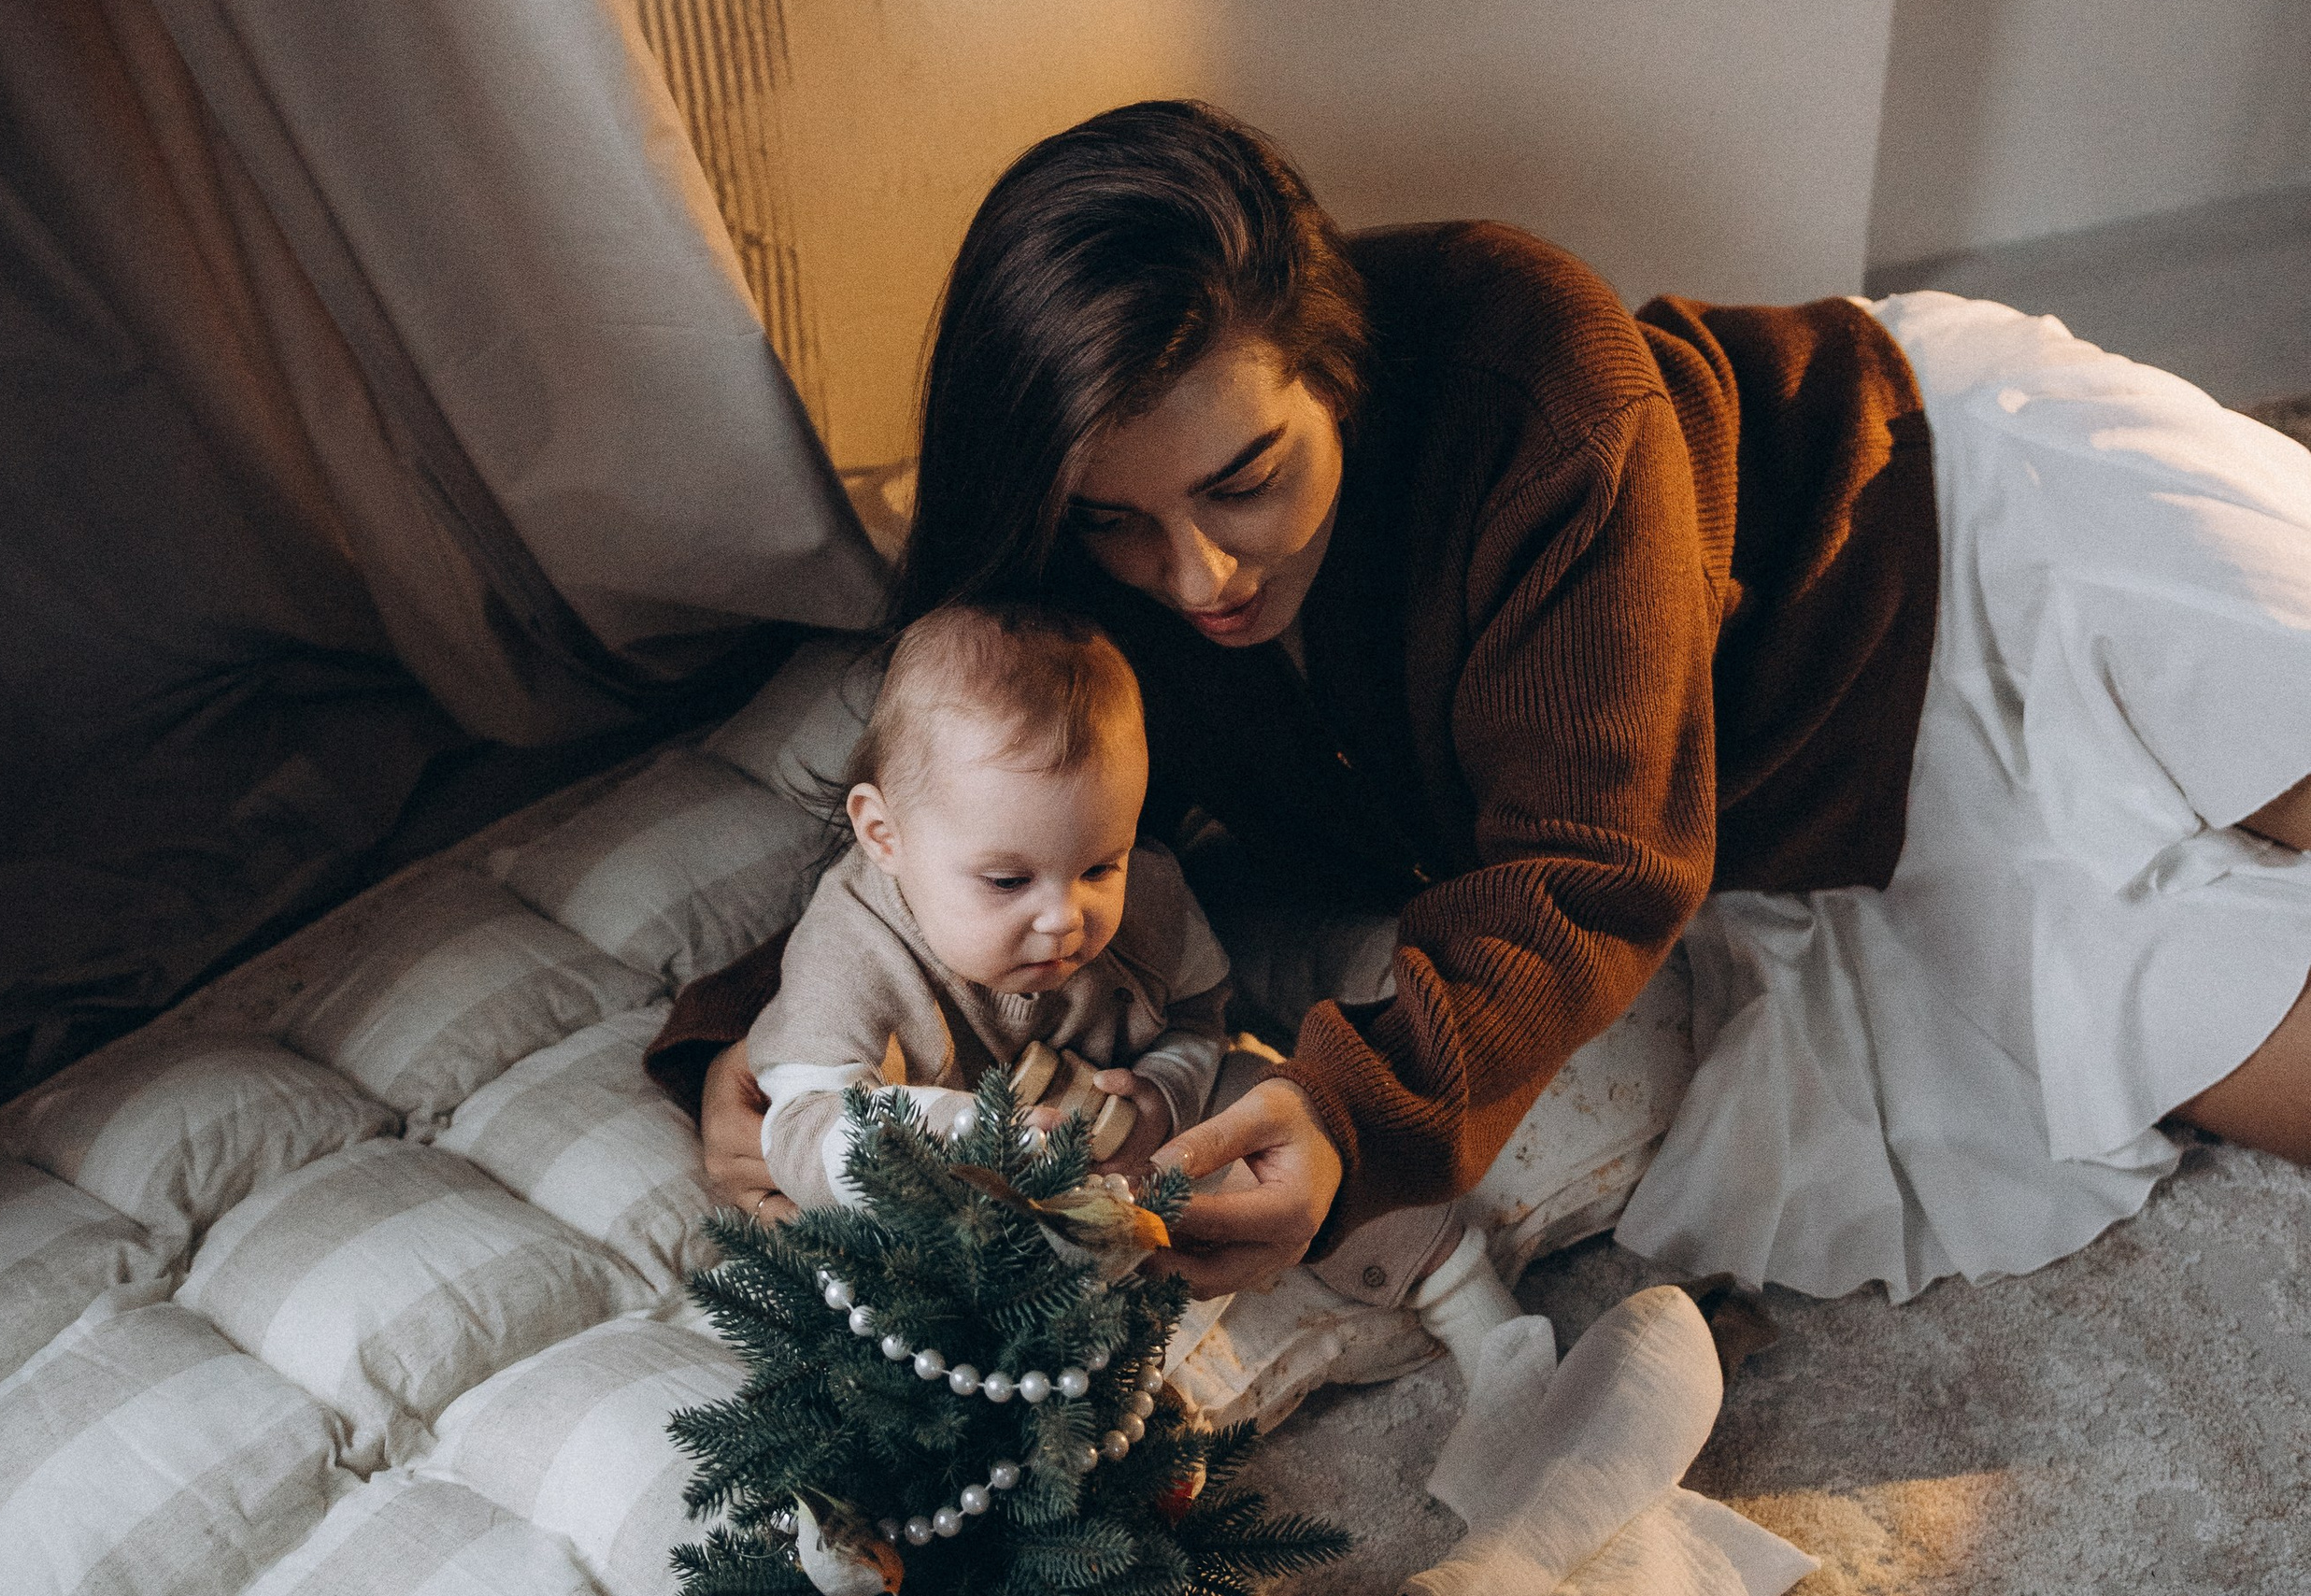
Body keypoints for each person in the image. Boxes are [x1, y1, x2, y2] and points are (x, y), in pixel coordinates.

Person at [651, 101, 2311, 1309]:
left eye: (1246, 482)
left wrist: (1361, 1113)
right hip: (1847, 811)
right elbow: (977, 798)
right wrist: (759, 1036)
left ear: (1335, 374)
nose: (1199, 575)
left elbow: (1587, 857)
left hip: (1936, 509)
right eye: (1119, 519)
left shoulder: (1536, 370)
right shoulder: (1083, 586)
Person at [737, 599, 1231, 1213]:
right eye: (1006, 881)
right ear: (886, 837)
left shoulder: (1151, 902)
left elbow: (1201, 1014)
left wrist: (1167, 1090)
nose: (1065, 918)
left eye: (1100, 868)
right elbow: (798, 1127)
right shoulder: (849, 955)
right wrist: (960, 1129)